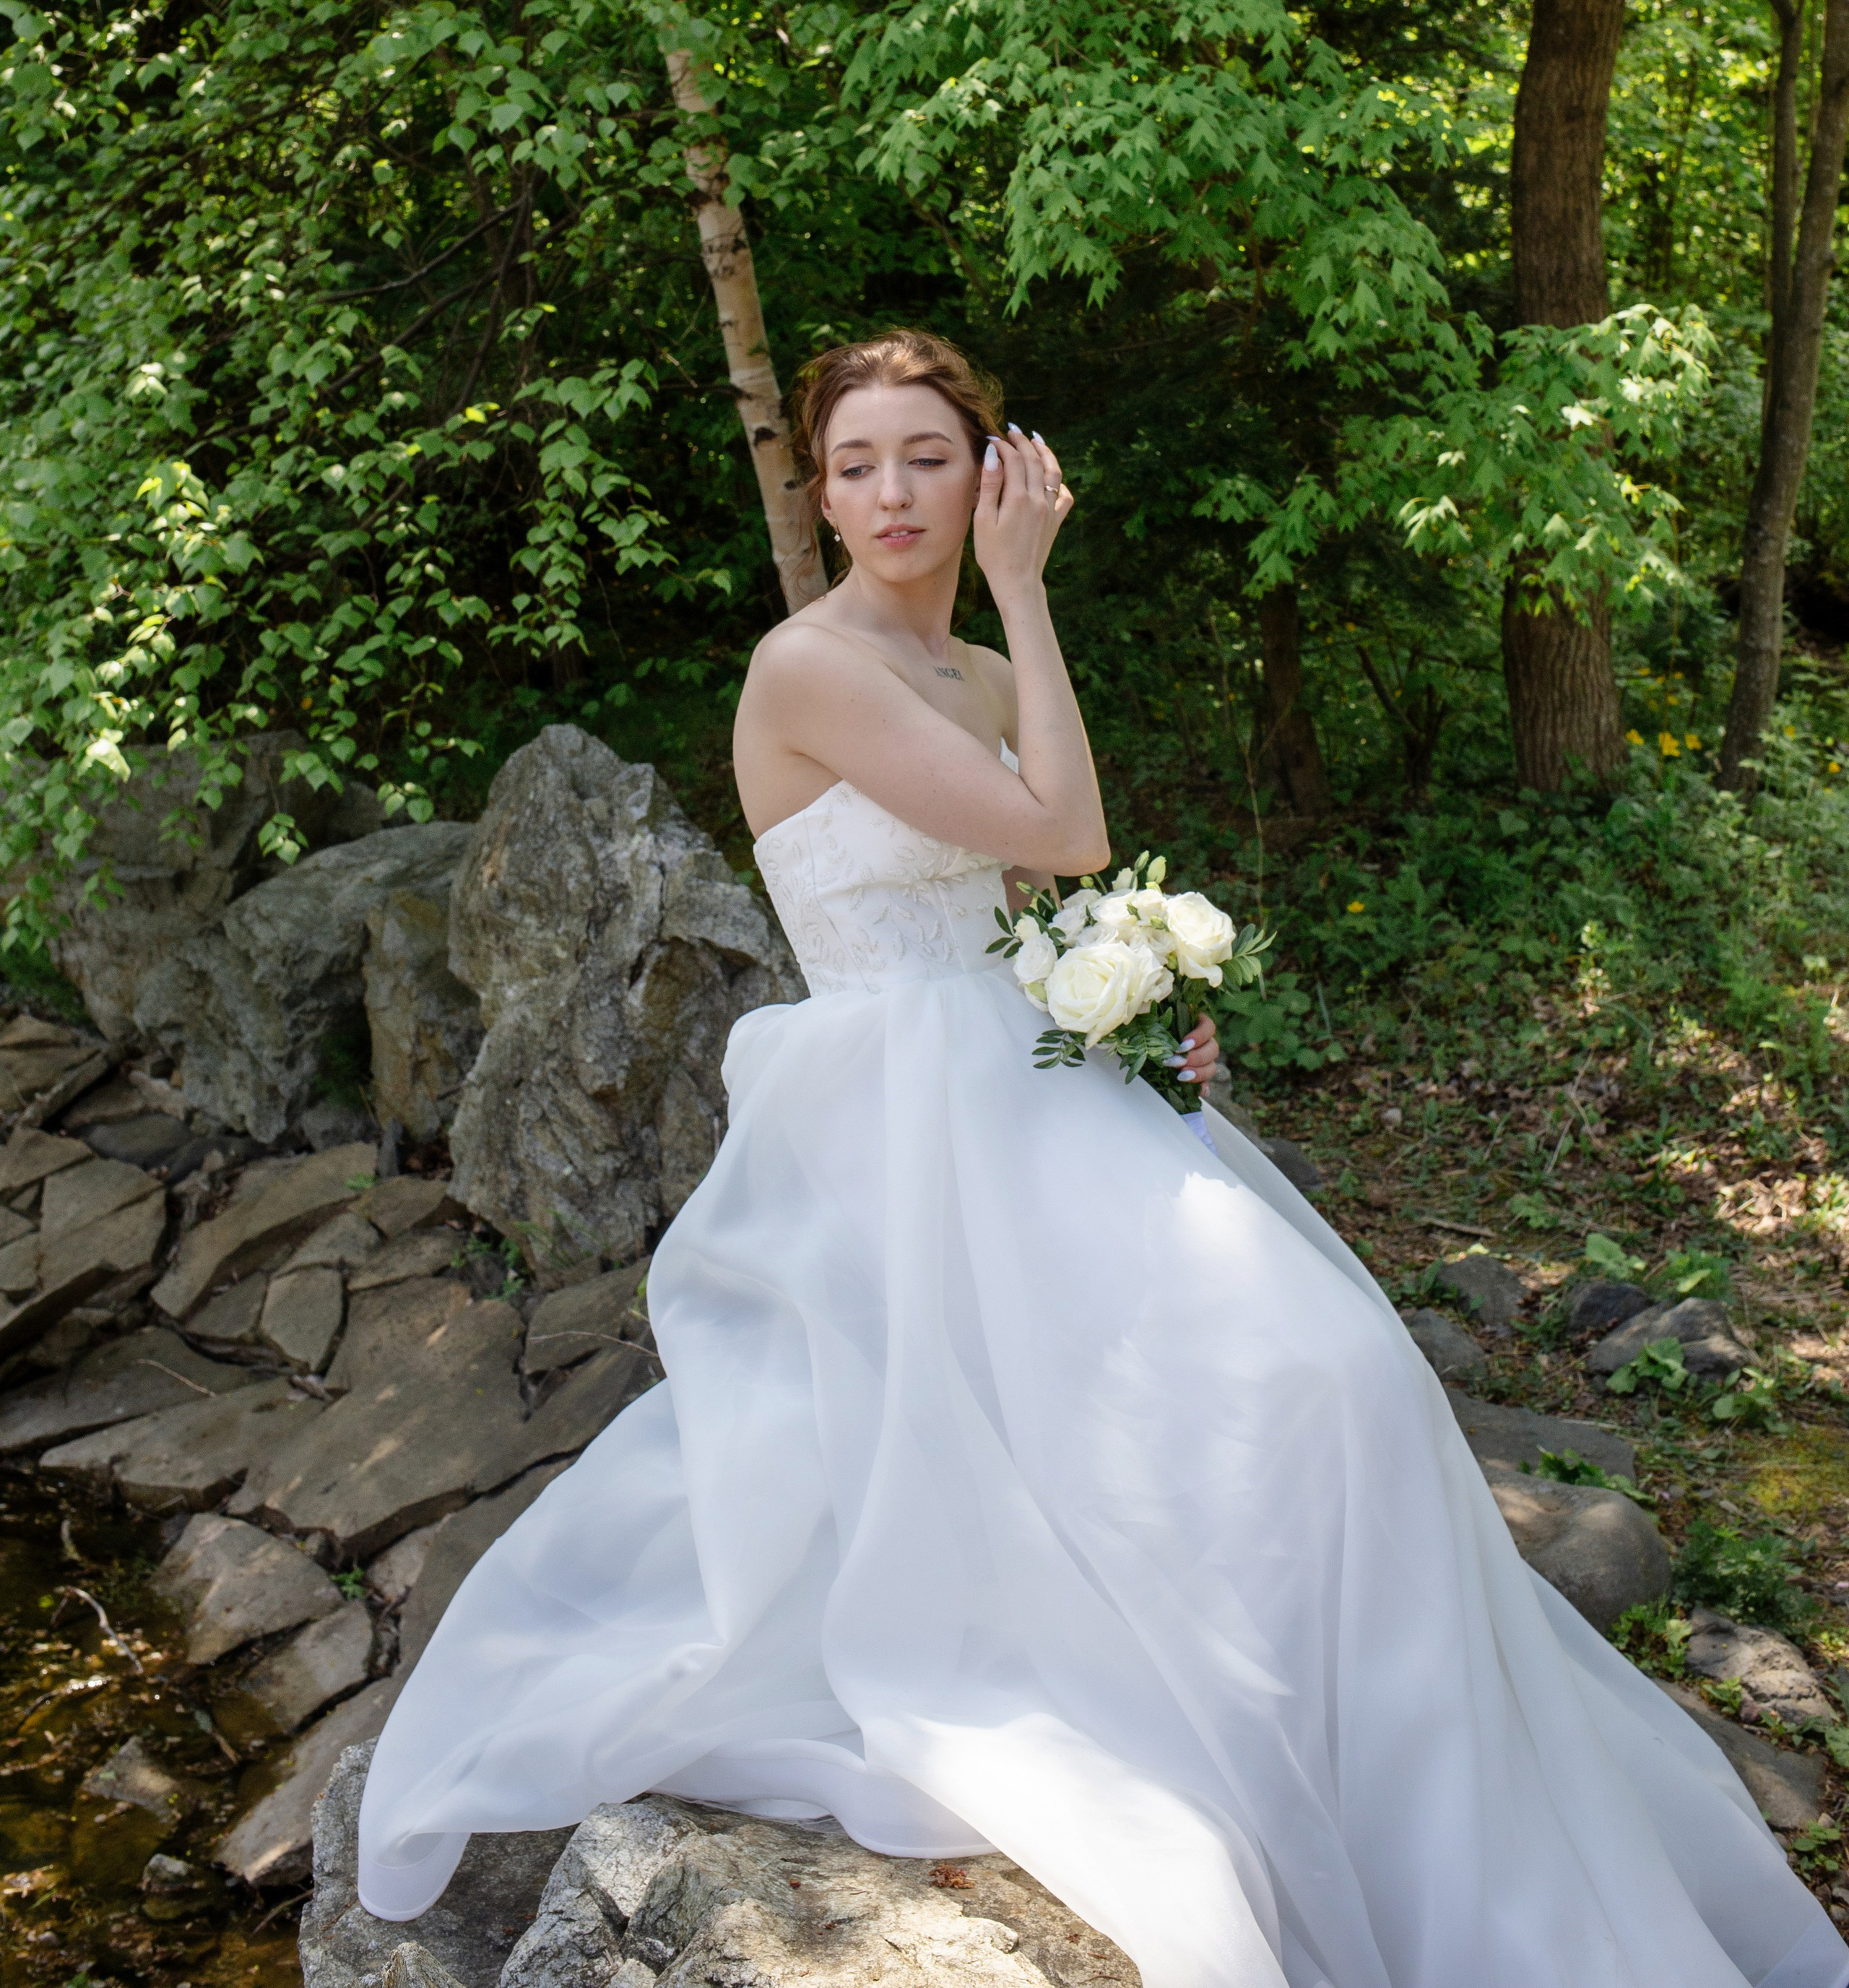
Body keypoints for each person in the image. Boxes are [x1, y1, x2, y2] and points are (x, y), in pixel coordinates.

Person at [357, 329, 1848, 1988]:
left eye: (924, 455)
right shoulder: (808, 666)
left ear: (989, 464)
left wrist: (1142, 1011)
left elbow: (1043, 899)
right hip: (896, 1113)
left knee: (1333, 1375)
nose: (887, 493)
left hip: (1024, 1073)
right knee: (1187, 1397)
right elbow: (1065, 826)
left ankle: (1379, 1788)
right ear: (820, 493)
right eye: (852, 465)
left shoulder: (980, 680)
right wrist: (1031, 591)